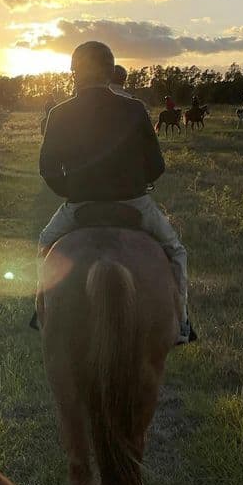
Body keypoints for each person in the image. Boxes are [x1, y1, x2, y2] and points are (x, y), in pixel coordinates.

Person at [33, 41, 193, 342]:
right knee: (175, 251)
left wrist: (74, 191)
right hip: (134, 202)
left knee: (44, 243)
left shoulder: (59, 113)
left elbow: (48, 169)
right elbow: (157, 165)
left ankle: (43, 316)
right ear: (110, 72)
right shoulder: (134, 108)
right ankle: (182, 323)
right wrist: (135, 182)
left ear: (74, 73)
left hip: (80, 206)